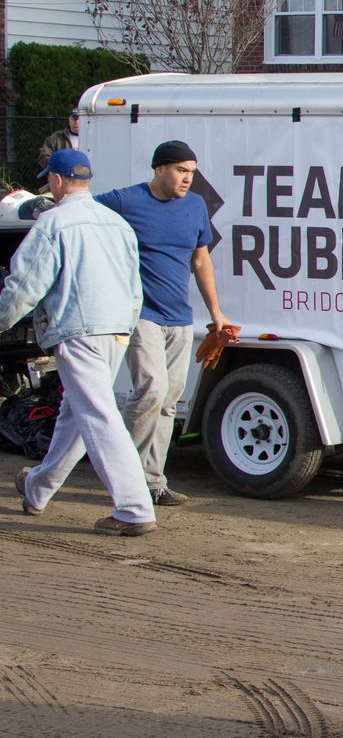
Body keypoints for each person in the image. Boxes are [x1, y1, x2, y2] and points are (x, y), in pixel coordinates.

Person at [4, 150, 156, 536]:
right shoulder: (116, 223)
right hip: (117, 328)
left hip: (78, 330)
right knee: (77, 414)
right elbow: (135, 285)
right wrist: (125, 323)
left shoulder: (52, 224)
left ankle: (134, 508)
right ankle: (38, 488)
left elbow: (23, 287)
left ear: (56, 181)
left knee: (98, 417)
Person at [96, 141, 233, 507]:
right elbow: (84, 215)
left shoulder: (195, 206)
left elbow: (201, 261)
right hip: (141, 314)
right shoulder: (127, 201)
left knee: (170, 402)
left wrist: (216, 312)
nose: (188, 179)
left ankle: (153, 482)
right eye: (181, 171)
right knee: (151, 391)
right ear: (159, 169)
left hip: (180, 318)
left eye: (191, 171)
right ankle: (126, 475)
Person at [35, 108, 80, 194]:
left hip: (84, 182)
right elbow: (43, 156)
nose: (77, 122)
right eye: (74, 118)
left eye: (80, 119)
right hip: (63, 183)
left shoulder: (93, 137)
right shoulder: (56, 138)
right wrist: (59, 167)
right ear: (69, 119)